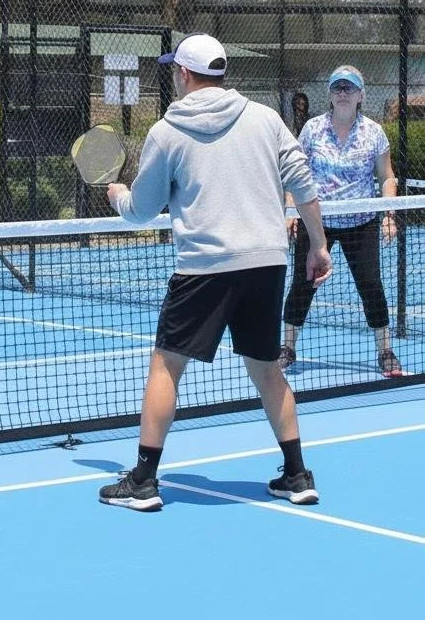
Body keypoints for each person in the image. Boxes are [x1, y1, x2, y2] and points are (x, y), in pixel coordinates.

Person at [98, 33, 332, 512]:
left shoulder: (167, 131)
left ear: (184, 74)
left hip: (203, 267)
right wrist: (319, 245)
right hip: (266, 262)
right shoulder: (266, 119)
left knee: (166, 366)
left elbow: (142, 210)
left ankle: (142, 480)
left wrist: (118, 196)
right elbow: (303, 182)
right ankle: (296, 474)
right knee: (268, 369)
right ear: (222, 73)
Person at [280, 65, 402, 377]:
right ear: (331, 95)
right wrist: (291, 209)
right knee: (302, 285)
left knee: (371, 286)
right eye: (338, 88)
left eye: (349, 88)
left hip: (362, 222)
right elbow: (297, 174)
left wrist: (389, 214)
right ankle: (287, 348)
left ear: (361, 95)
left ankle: (385, 352)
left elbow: (386, 176)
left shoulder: (375, 133)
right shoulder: (312, 129)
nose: (343, 93)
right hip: (316, 221)